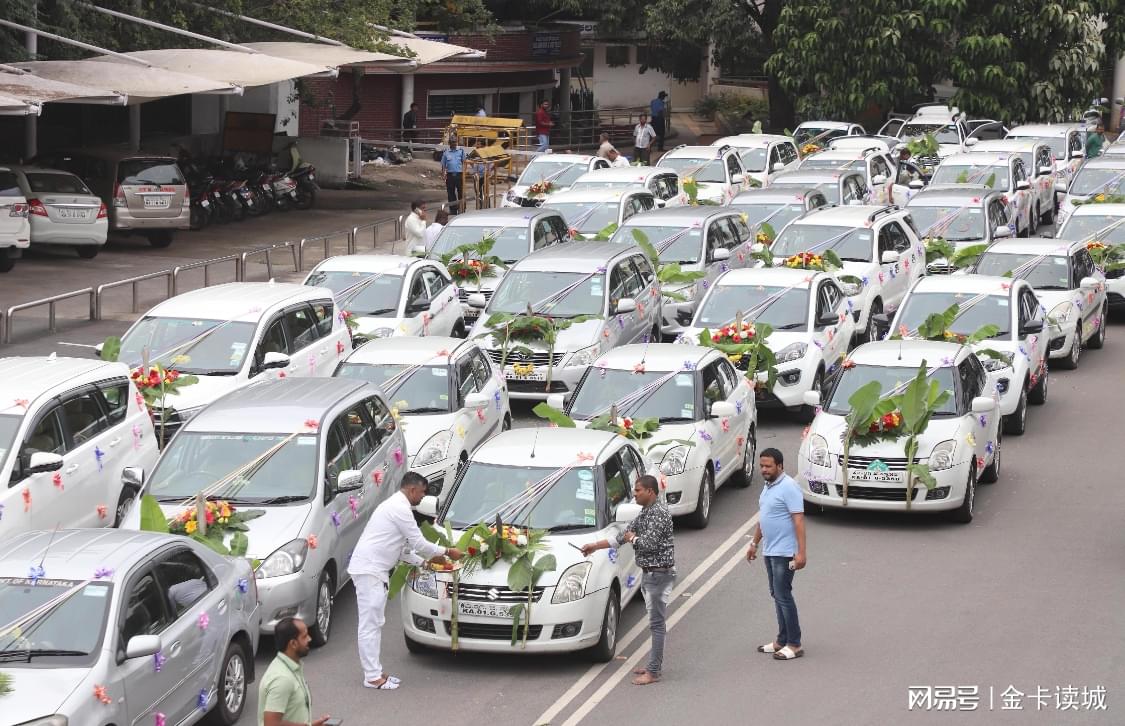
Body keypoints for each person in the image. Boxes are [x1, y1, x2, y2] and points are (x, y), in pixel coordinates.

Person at [348, 472, 464, 690]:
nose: (422, 497)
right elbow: (419, 542)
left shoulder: (396, 506)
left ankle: (375, 671)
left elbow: (403, 550)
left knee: (374, 623)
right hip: (370, 570)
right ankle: (372, 677)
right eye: (422, 492)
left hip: (373, 570)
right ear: (412, 490)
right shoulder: (400, 509)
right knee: (370, 625)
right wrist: (448, 550)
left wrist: (425, 563)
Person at [582, 474, 674, 686]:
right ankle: (653, 665)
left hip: (659, 574)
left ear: (650, 491)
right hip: (650, 573)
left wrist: (633, 538)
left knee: (657, 625)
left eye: (638, 490)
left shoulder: (658, 514)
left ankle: (654, 671)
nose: (634, 493)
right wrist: (594, 546)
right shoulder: (646, 512)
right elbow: (621, 536)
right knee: (654, 623)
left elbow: (648, 544)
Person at [746, 448, 806, 661]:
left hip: (785, 553)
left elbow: (798, 520)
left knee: (783, 595)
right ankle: (781, 640)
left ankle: (794, 644)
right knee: (777, 594)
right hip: (770, 551)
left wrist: (801, 553)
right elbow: (765, 517)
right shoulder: (768, 486)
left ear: (780, 465)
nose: (764, 469)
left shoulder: (789, 487)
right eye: (761, 466)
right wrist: (754, 543)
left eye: (768, 466)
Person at [258, 617, 330, 726]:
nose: (309, 639)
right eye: (305, 636)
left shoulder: (290, 666)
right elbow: (271, 724)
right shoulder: (282, 679)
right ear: (293, 644)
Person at [441, 137, 467, 214]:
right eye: (452, 142)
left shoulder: (461, 151)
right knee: (450, 193)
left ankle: (462, 209)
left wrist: (464, 173)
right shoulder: (446, 153)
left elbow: (464, 163)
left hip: (459, 175)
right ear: (449, 143)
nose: (454, 143)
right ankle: (453, 210)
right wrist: (443, 174)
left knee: (461, 193)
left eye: (455, 142)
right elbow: (443, 165)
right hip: (450, 176)